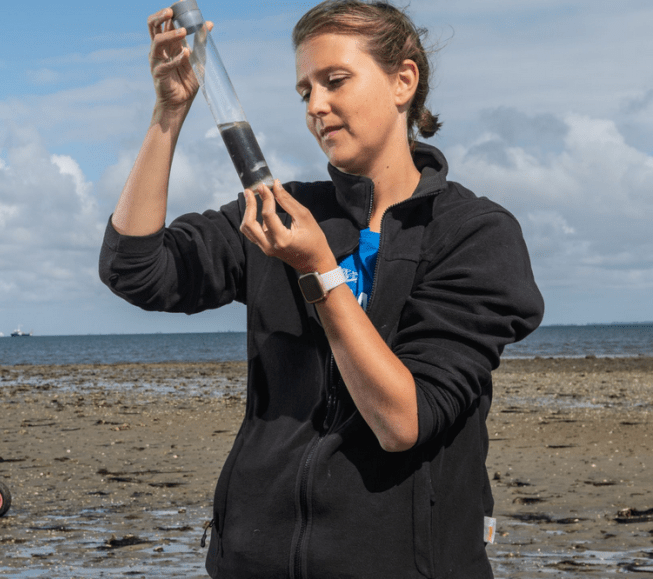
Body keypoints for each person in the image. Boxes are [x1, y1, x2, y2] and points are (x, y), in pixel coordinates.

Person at [98, 1, 544, 577]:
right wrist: (169, 114)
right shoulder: (284, 215)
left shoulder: (474, 235)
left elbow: (403, 421)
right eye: (304, 91)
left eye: (335, 81)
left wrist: (318, 272)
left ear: (403, 80)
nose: (317, 106)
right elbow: (136, 269)